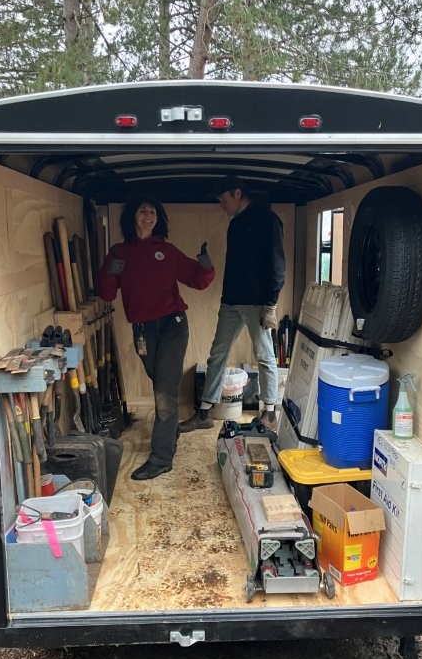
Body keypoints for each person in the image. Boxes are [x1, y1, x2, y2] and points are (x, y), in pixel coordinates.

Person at [98, 194, 215, 480]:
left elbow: (198, 281)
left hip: (173, 325)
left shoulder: (167, 251)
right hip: (142, 330)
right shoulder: (119, 252)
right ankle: (170, 428)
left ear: (158, 218)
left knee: (165, 391)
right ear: (132, 217)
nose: (148, 216)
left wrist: (205, 265)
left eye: (152, 212)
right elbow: (106, 294)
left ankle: (162, 456)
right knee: (160, 381)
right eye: (142, 211)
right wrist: (109, 273)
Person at [179, 175, 285, 434]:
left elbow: (277, 264)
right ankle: (204, 413)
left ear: (238, 193)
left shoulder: (268, 220)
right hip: (231, 301)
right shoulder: (236, 224)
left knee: (264, 356)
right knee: (217, 354)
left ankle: (270, 413)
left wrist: (271, 303)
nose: (221, 205)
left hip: (258, 302)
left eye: (223, 199)